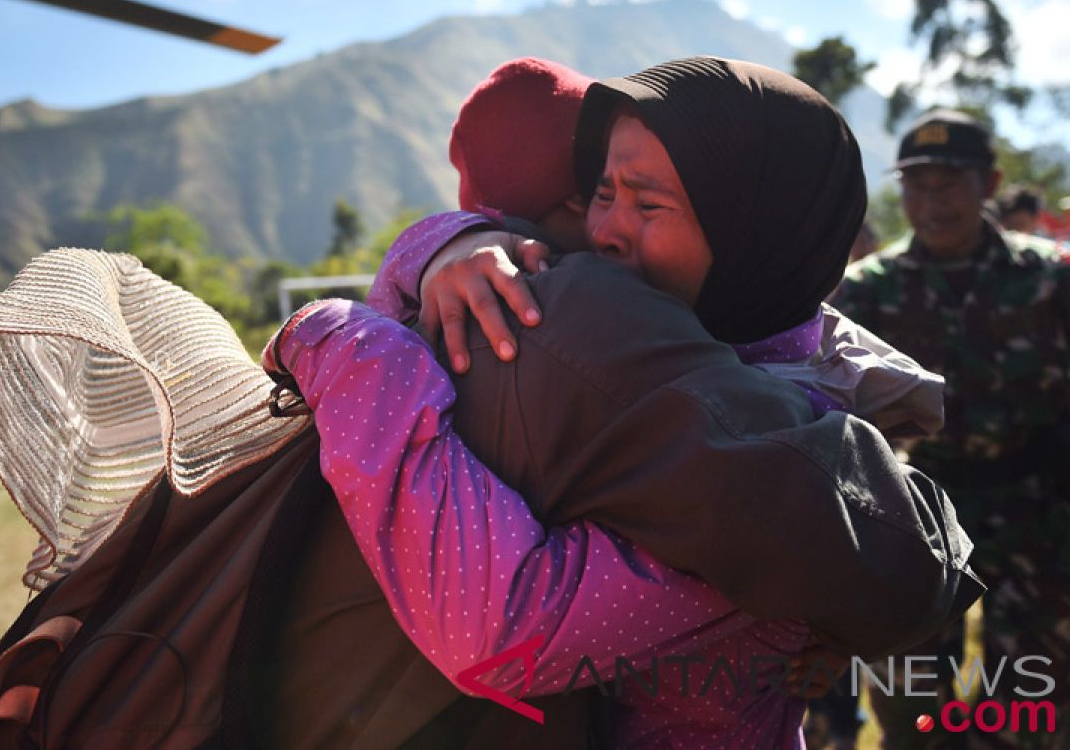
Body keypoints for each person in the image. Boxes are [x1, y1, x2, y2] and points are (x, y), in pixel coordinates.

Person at [267, 57, 977, 747]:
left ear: (755, 230)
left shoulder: (759, 456)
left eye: (647, 202)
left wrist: (343, 341)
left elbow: (502, 634)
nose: (603, 233)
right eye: (600, 193)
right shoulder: (709, 347)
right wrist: (453, 242)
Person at [831, 109, 1070, 748]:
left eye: (949, 184)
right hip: (918, 512)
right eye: (917, 186)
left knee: (1034, 689)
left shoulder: (1050, 280)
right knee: (907, 691)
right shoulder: (866, 292)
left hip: (1037, 510)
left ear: (989, 184)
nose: (930, 202)